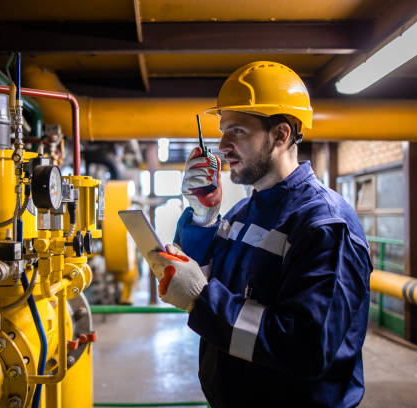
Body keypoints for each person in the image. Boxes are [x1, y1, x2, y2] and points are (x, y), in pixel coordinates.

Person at [148, 61, 373, 408]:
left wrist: (201, 300)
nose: (222, 146)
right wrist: (203, 217)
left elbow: (306, 350)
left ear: (281, 135)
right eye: (223, 131)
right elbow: (201, 278)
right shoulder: (242, 212)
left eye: (237, 130)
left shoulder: (325, 225)